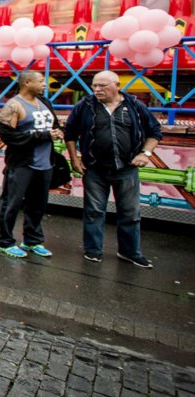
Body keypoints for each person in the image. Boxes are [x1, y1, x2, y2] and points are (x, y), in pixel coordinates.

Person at [64, 71, 162, 268]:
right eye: (94, 86)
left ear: (117, 85)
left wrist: (146, 153)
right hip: (94, 169)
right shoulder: (85, 106)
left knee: (130, 212)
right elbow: (70, 133)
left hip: (126, 169)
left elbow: (155, 132)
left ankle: (130, 252)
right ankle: (93, 251)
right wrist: (74, 158)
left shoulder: (134, 105)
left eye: (102, 86)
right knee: (94, 211)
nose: (97, 90)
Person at [0, 70, 63, 258]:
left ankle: (32, 240)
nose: (45, 84)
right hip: (21, 164)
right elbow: (8, 136)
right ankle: (4, 242)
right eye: (40, 81)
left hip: (45, 163)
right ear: (27, 83)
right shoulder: (14, 105)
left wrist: (57, 132)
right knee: (11, 203)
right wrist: (44, 135)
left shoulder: (45, 103)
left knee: (38, 204)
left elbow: (54, 125)